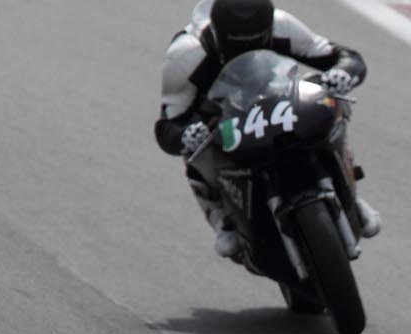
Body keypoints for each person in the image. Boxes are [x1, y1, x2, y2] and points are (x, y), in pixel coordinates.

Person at [155, 0, 381, 258]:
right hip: (221, 115)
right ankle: (222, 218)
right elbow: (168, 124)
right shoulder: (186, 54)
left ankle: (349, 190)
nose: (246, 48)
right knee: (195, 142)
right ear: (217, 33)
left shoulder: (282, 25)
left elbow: (344, 56)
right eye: (236, 43)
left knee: (328, 98)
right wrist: (185, 135)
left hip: (277, 94)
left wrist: (342, 73)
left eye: (255, 40)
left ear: (266, 29)